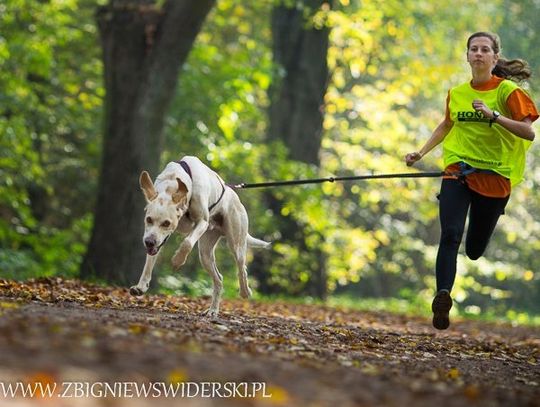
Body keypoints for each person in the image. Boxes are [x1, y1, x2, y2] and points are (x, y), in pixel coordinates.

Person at [405, 32, 538, 330]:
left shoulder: (507, 93)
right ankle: (443, 296)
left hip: (495, 178)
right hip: (458, 172)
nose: (478, 53)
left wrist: (494, 116)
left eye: (484, 49)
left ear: (494, 57)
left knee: (475, 249)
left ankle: (469, 255)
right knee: (450, 234)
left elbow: (529, 132)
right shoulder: (457, 92)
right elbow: (447, 123)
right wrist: (421, 151)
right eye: (473, 49)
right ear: (467, 56)